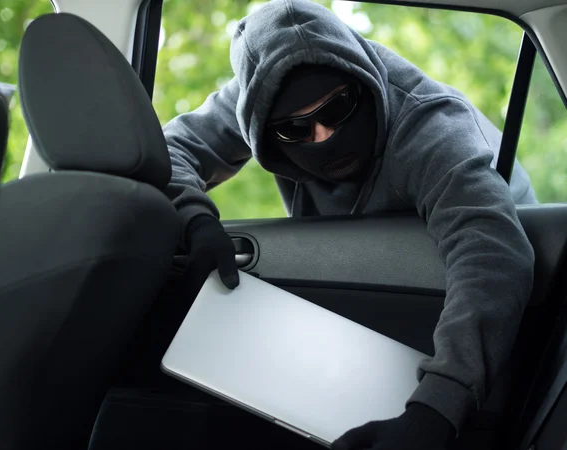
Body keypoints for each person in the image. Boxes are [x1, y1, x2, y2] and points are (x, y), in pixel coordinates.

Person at [162, 0, 536, 448]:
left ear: (360, 82)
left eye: (338, 108)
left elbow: (492, 255)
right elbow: (171, 148)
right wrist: (196, 218)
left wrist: (437, 409)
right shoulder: (259, 102)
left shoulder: (431, 127)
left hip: (489, 323)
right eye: (295, 130)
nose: (323, 137)